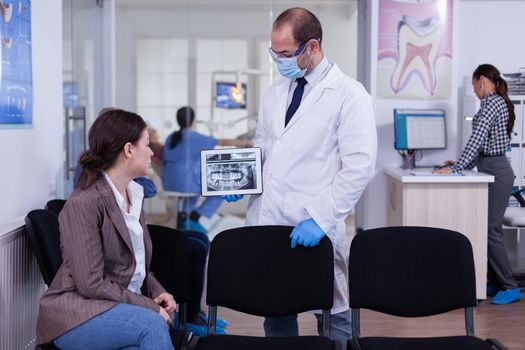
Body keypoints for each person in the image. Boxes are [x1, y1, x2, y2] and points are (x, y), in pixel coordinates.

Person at [225, 7, 377, 347]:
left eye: (284, 53)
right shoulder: (275, 94)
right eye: (273, 52)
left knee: (334, 321)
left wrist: (320, 219)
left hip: (314, 227)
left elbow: (359, 166)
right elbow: (266, 150)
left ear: (312, 46)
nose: (278, 61)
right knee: (277, 316)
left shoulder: (349, 95)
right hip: (270, 225)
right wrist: (243, 178)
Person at [36, 109, 176, 349]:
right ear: (129, 150)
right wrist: (150, 307)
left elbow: (138, 266)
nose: (152, 152)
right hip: (78, 312)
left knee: (151, 330)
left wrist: (158, 291)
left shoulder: (134, 195)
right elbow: (91, 284)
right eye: (147, 144)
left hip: (116, 306)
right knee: (153, 324)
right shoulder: (84, 203)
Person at [434, 64, 523, 305]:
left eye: (475, 86)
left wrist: (454, 168)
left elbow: (476, 140)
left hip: (497, 171)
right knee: (488, 227)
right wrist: (458, 163)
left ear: (481, 80)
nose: (474, 91)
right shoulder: (495, 103)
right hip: (492, 168)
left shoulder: (491, 104)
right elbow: (481, 149)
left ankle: (510, 285)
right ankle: (496, 280)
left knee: (490, 229)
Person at [162, 106, 252, 233]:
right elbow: (223, 142)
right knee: (223, 186)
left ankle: (185, 217)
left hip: (169, 183)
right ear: (193, 120)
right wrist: (246, 143)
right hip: (186, 183)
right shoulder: (194, 137)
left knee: (195, 184)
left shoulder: (170, 138)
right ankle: (197, 215)